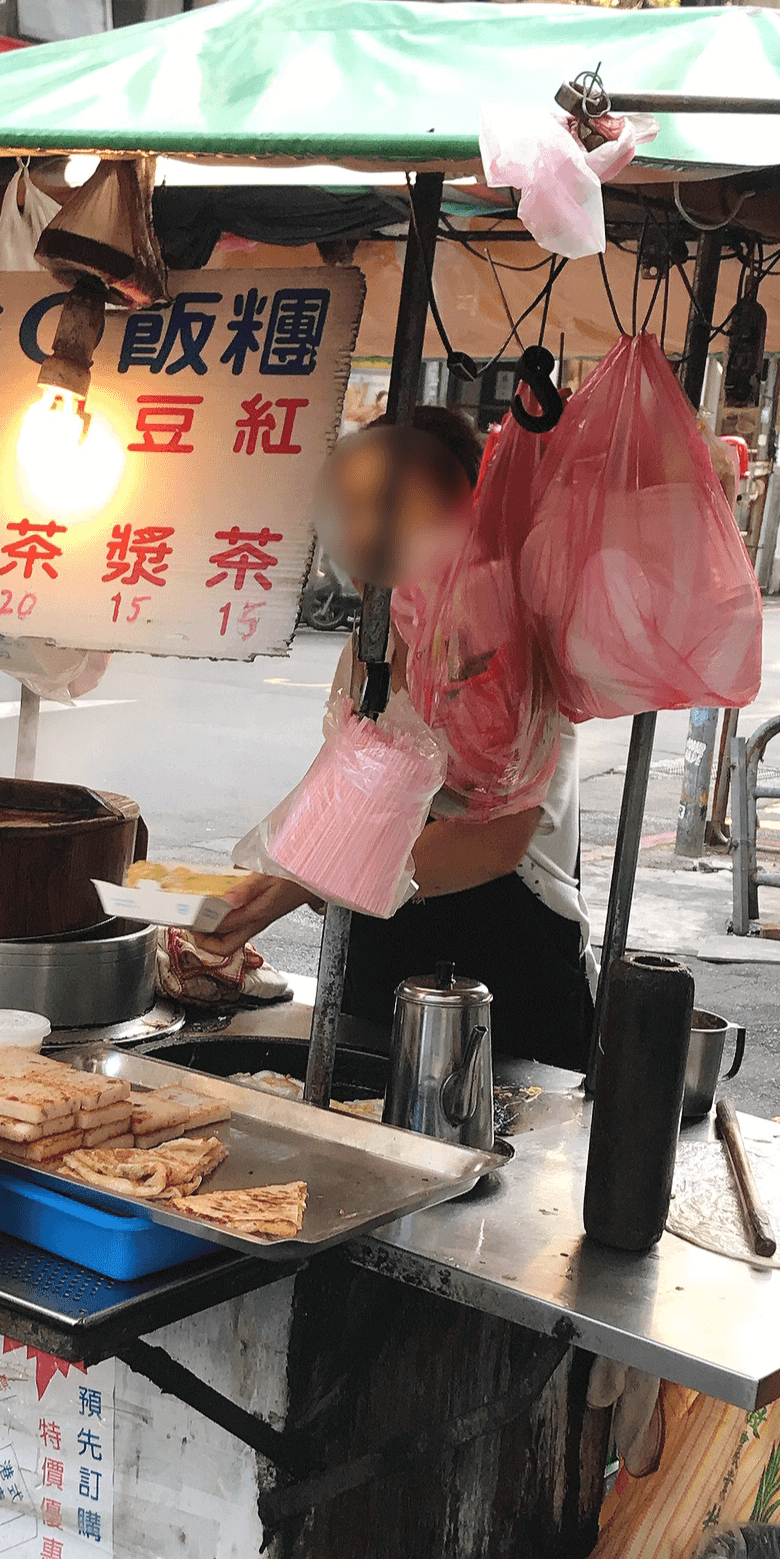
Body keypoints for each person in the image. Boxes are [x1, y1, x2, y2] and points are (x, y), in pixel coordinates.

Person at [208, 406, 595, 1072]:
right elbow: (346, 805)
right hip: (379, 946)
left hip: (513, 956)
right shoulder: (371, 641)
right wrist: (256, 895)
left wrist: (297, 885)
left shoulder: (517, 647)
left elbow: (493, 841)